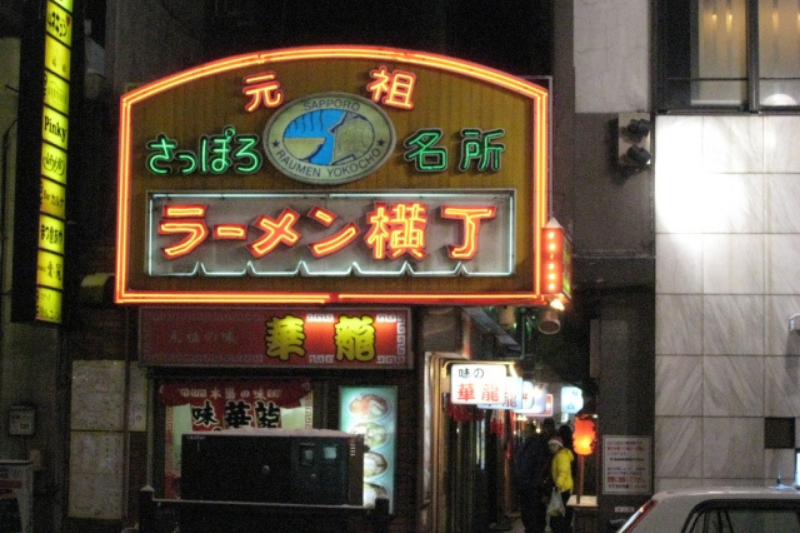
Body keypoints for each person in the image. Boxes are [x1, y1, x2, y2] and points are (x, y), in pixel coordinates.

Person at [513, 417, 557, 533]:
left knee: (528, 518)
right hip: (535, 487)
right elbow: (542, 468)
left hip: (523, 486)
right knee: (537, 520)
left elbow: (518, 460)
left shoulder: (528, 442)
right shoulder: (544, 445)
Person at [547, 434, 575, 533]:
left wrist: (557, 485)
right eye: (550, 446)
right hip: (564, 488)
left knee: (560, 513)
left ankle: (561, 529)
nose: (551, 448)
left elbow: (563, 472)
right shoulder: (560, 455)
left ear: (558, 446)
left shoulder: (561, 456)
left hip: (563, 489)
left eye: (552, 446)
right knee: (563, 512)